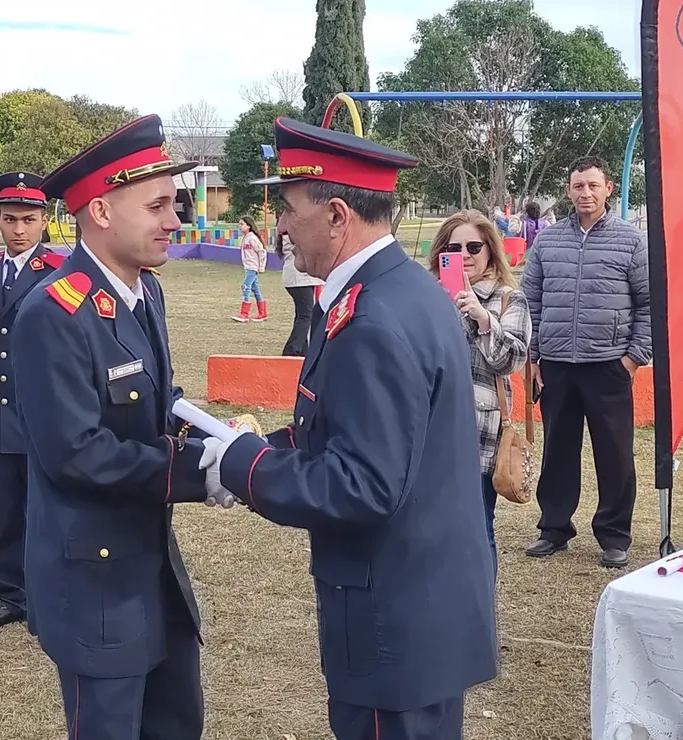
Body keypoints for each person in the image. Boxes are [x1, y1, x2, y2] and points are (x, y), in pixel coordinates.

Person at [199, 117, 498, 740]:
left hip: (392, 617)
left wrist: (241, 466)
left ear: (337, 215)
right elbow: (355, 432)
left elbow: (362, 483)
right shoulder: (405, 290)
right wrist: (252, 447)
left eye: (288, 207)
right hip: (424, 608)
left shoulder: (372, 318)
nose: (280, 223)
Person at [12, 114, 212, 740]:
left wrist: (215, 438)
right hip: (93, 580)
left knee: (176, 724)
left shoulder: (143, 293)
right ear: (100, 211)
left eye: (173, 206)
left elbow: (160, 404)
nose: (174, 221)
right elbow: (77, 453)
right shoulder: (55, 311)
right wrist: (202, 474)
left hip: (150, 565)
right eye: (157, 206)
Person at [522, 156, 650, 569]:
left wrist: (633, 359)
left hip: (608, 364)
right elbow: (531, 302)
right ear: (568, 190)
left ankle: (614, 535)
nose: (586, 193)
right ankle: (554, 528)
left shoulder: (631, 241)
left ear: (608, 188)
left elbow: (650, 305)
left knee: (614, 454)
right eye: (578, 186)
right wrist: (533, 355)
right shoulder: (547, 241)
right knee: (558, 449)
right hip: (557, 362)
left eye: (593, 185)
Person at [0, 171, 63, 630]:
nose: (18, 229)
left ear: (44, 221)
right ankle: (12, 595)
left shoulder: (60, 275)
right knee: (6, 511)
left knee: (47, 510)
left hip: (42, 416)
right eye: (9, 219)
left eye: (27, 219)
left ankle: (51, 597)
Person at [428, 210, 532, 578]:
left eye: (474, 246)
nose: (465, 255)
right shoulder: (426, 297)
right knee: (427, 529)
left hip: (478, 432)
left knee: (475, 527)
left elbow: (511, 361)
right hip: (427, 430)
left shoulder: (507, 299)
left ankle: (478, 614)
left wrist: (482, 319)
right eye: (453, 248)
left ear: (490, 251)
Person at [278, 226, 323, 356]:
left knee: (302, 314)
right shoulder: (294, 233)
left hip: (299, 278)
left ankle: (303, 349)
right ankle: (292, 349)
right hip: (299, 278)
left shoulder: (290, 233)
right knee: (306, 315)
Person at [231, 215, 268, 323]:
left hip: (253, 267)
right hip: (248, 267)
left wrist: (261, 266)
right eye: (239, 224)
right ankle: (262, 313)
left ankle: (244, 314)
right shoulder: (245, 238)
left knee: (245, 287)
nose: (240, 226)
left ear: (249, 226)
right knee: (255, 290)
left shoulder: (252, 238)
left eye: (242, 224)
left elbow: (262, 252)